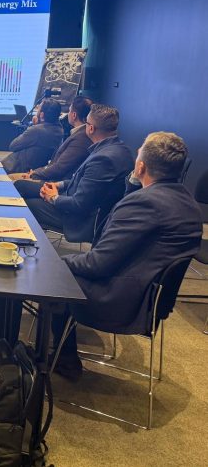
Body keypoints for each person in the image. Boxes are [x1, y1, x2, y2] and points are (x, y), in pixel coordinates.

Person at [51, 132, 202, 380]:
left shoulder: (145, 204)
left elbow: (97, 264)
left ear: (140, 166)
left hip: (122, 300)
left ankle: (63, 361)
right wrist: (133, 186)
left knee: (49, 277)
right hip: (151, 298)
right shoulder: (187, 202)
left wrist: (57, 262)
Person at [24, 104, 134, 242]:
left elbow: (79, 204)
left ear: (91, 128)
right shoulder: (120, 149)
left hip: (79, 220)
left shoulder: (103, 159)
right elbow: (86, 182)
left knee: (28, 204)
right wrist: (59, 185)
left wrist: (53, 198)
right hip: (75, 200)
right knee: (23, 187)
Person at [12, 96, 93, 198]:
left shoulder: (80, 139)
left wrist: (34, 174)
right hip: (46, 174)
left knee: (13, 182)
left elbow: (59, 167)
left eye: (69, 111)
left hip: (55, 183)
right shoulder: (63, 130)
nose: (67, 114)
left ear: (74, 115)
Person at [2, 99, 64, 174]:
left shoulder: (36, 130)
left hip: (15, 168)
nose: (37, 112)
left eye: (38, 109)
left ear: (42, 115)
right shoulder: (60, 131)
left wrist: (33, 126)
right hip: (35, 168)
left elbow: (12, 146)